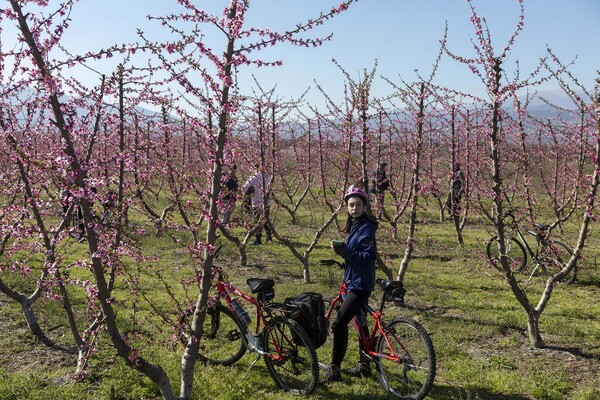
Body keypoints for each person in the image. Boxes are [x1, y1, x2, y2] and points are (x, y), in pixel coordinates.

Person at [323, 185, 378, 383]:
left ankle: (334, 369)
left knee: (338, 325)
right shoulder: (355, 224)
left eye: (358, 205)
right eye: (350, 205)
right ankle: (365, 365)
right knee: (361, 322)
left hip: (360, 285)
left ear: (364, 206)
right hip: (355, 279)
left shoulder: (366, 227)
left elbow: (369, 255)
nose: (354, 208)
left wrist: (344, 252)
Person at [242, 166, 273, 245]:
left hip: (256, 202)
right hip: (267, 202)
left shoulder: (254, 177)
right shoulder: (270, 176)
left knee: (257, 221)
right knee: (265, 219)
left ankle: (258, 239)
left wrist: (251, 191)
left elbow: (244, 187)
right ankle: (269, 236)